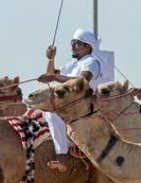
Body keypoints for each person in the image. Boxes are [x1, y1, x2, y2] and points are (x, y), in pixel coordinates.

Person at [38, 28, 107, 172]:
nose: (72, 46)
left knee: (53, 114)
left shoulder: (92, 62)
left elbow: (82, 81)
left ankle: (61, 157)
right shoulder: (72, 64)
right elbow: (50, 75)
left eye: (76, 43)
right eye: (72, 42)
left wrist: (54, 77)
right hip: (68, 105)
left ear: (87, 46)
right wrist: (51, 59)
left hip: (83, 107)